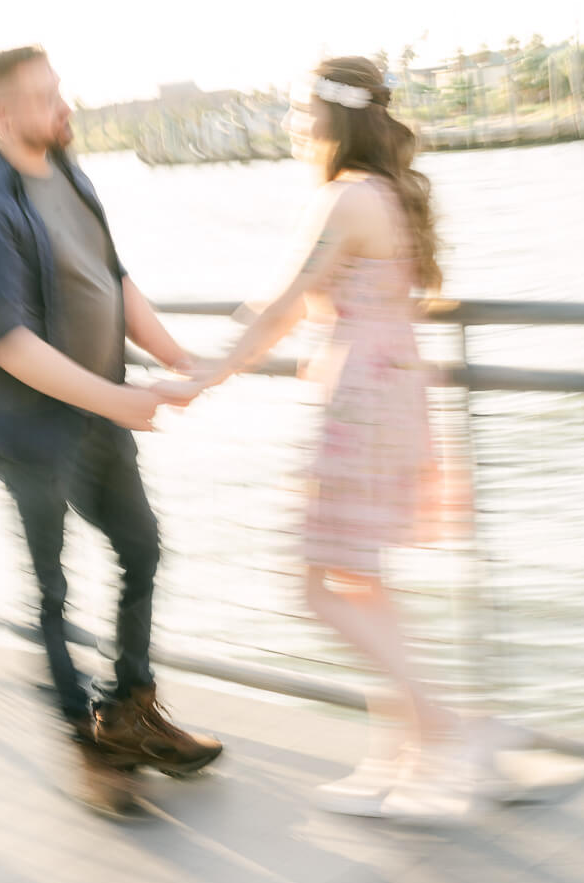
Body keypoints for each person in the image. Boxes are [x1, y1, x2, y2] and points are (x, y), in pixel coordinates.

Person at [174, 56, 475, 820]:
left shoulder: (344, 199)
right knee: (363, 581)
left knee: (314, 585)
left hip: (362, 405)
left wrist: (201, 375)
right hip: (393, 390)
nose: (296, 124)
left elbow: (279, 306)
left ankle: (442, 727)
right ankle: (401, 751)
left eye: (302, 111)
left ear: (332, 119)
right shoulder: (388, 193)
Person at [0, 45, 222, 815]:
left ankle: (130, 708)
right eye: (44, 97)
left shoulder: (70, 172)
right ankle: (90, 746)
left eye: (58, 90)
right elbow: (11, 344)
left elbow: (115, 278)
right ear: (2, 114)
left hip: (101, 415)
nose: (63, 106)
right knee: (52, 594)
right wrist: (117, 399)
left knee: (141, 546)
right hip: (31, 435)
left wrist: (178, 356)